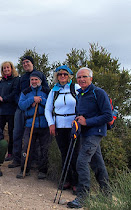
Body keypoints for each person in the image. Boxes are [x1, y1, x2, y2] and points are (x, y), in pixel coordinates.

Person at [67, 67, 113, 208]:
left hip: (95, 132)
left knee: (81, 162)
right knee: (97, 164)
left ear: (91, 78)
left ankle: (83, 197)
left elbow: (108, 115)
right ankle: (107, 194)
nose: (81, 79)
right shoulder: (80, 94)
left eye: (84, 77)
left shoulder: (98, 93)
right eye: (79, 77)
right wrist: (77, 121)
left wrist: (87, 122)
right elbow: (80, 113)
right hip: (85, 133)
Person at [45, 65, 80, 194]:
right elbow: (48, 109)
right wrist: (51, 124)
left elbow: (82, 105)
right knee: (64, 153)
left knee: (75, 154)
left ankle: (77, 182)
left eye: (65, 74)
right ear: (57, 77)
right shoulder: (54, 91)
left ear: (69, 76)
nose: (63, 76)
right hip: (59, 126)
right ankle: (67, 180)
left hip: (73, 126)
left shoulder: (75, 88)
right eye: (60, 74)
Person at [9, 55, 49, 168]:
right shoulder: (21, 78)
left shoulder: (40, 75)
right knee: (17, 133)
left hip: (37, 110)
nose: (25, 64)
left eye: (27, 62)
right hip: (22, 108)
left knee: (35, 137)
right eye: (23, 63)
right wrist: (25, 103)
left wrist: (38, 101)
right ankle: (17, 159)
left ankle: (34, 161)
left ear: (32, 63)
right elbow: (17, 93)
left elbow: (46, 91)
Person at [16, 72, 51, 179]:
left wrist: (40, 100)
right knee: (26, 147)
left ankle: (43, 170)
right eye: (32, 80)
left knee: (44, 148)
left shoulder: (47, 91)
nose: (34, 82)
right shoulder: (26, 92)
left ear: (40, 80)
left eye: (36, 79)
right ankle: (25, 169)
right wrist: (32, 100)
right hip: (30, 124)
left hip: (44, 124)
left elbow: (51, 104)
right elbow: (21, 105)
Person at [0, 61, 19, 161]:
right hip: (2, 111)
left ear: (12, 68)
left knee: (11, 132)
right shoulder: (2, 81)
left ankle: (10, 153)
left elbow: (14, 93)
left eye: (8, 68)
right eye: (4, 68)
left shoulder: (16, 80)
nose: (6, 69)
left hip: (11, 110)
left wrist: (3, 98)